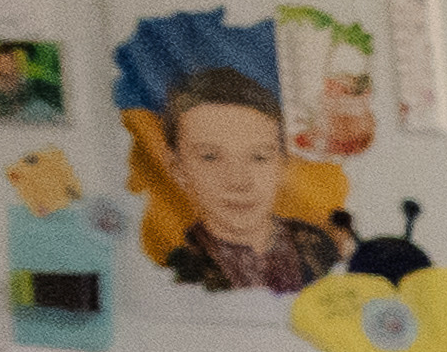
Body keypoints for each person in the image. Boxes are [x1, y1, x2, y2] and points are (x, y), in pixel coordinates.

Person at [149, 66, 349, 294]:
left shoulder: (317, 246)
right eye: (210, 157)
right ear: (177, 168)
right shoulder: (179, 266)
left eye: (259, 157)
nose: (239, 181)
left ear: (282, 163)